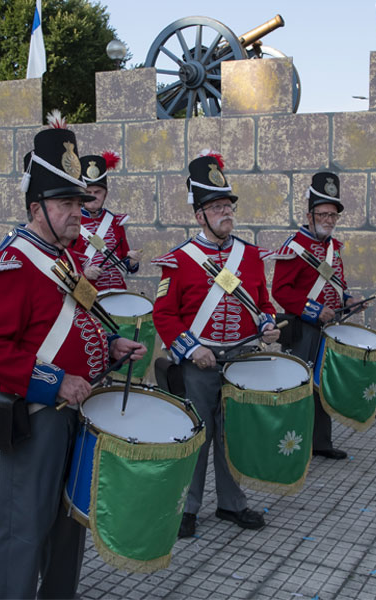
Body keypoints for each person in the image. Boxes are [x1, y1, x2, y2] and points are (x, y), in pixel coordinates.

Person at [0, 118, 146, 599]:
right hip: (38, 413)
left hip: (79, 410)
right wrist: (55, 382)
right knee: (24, 525)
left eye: (78, 203)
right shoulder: (12, 262)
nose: (77, 214)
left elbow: (79, 320)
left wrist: (110, 346)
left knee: (70, 519)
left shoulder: (63, 256)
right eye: (65, 204)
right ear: (37, 208)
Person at [151, 151, 279, 539]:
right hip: (199, 362)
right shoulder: (178, 261)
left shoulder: (250, 256)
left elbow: (264, 303)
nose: (226, 213)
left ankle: (232, 503)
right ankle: (187, 508)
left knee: (233, 434)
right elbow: (164, 315)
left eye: (228, 206)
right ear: (199, 216)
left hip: (241, 359)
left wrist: (268, 323)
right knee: (197, 435)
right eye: (217, 207)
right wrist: (192, 350)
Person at [271, 172, 366, 460]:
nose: (328, 220)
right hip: (303, 330)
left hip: (329, 328)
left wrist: (349, 300)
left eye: (333, 215)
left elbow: (338, 285)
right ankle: (292, 444)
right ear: (309, 215)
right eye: (323, 214)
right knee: (299, 386)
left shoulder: (333, 247)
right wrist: (313, 310)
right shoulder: (293, 248)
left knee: (324, 384)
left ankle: (321, 442)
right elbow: (280, 291)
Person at [73, 150, 140, 293]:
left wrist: (132, 261)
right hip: (87, 295)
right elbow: (64, 262)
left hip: (117, 291)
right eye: (88, 192)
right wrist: (84, 272)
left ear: (105, 194)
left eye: (97, 192)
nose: (93, 196)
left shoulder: (115, 222)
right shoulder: (72, 221)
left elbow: (125, 262)